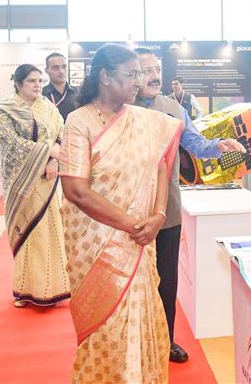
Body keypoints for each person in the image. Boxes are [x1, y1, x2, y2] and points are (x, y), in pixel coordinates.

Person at [59, 43, 182, 383]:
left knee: (143, 314)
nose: (137, 82)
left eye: (140, 74)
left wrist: (157, 215)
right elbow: (75, 190)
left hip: (142, 240)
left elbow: (160, 165)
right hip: (96, 245)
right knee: (107, 325)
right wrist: (131, 223)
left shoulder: (145, 121)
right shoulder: (78, 122)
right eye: (130, 75)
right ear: (105, 76)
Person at [134, 48, 245, 363]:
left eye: (157, 69)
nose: (155, 76)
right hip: (127, 213)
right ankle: (134, 343)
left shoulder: (172, 107)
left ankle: (165, 341)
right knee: (132, 282)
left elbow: (194, 143)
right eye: (145, 70)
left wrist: (219, 146)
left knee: (166, 281)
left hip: (167, 210)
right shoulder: (120, 108)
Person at [0, 64, 70, 308]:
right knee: (27, 234)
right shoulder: (6, 110)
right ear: (17, 84)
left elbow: (61, 133)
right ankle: (25, 290)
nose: (37, 85)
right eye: (31, 81)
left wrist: (52, 160)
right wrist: (48, 153)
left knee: (50, 231)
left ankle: (53, 288)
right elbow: (13, 145)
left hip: (47, 181)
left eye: (39, 80)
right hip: (22, 182)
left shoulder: (48, 108)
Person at [43, 52, 78, 121]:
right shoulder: (41, 95)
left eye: (64, 67)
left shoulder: (79, 93)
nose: (61, 71)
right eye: (55, 68)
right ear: (46, 70)